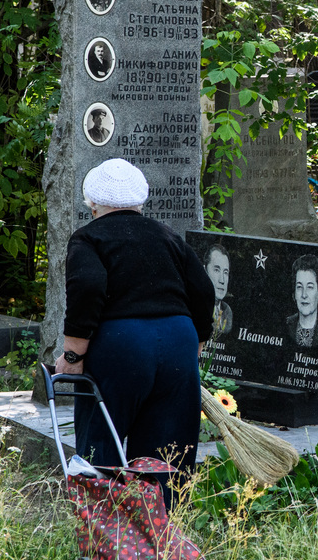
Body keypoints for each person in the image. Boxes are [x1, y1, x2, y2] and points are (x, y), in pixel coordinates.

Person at [55, 159, 214, 508]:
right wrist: (198, 342)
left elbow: (88, 286)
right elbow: (203, 290)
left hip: (122, 345)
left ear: (92, 204)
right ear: (140, 200)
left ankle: (105, 526)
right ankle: (162, 527)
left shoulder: (88, 238)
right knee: (168, 451)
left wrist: (73, 355)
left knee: (102, 440)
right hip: (178, 339)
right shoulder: (167, 236)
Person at [285, 255, 318, 349]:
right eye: (299, 287)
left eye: (309, 287)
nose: (304, 295)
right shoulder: (285, 325)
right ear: (294, 293)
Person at [204, 244, 233, 338]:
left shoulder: (227, 311)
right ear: (205, 271)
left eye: (225, 272)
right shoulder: (195, 307)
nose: (222, 280)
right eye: (216, 270)